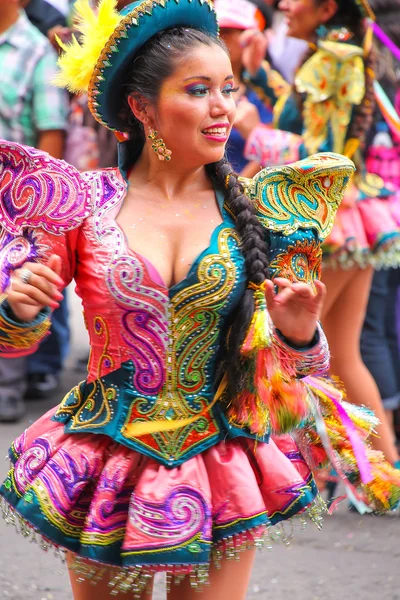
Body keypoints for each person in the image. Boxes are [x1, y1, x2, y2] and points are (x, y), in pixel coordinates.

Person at [0, 1, 399, 599]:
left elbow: (295, 380)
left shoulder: (266, 212)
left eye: (228, 89)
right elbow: (16, 342)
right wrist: (17, 309)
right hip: (105, 452)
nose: (223, 109)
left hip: (220, 456)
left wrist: (296, 332)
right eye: (199, 90)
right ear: (141, 107)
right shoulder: (79, 204)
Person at [242, 0, 400, 469]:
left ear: (328, 6)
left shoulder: (335, 58)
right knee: (345, 355)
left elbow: (320, 152)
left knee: (280, 352)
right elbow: (304, 114)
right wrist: (259, 75)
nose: (283, 5)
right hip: (353, 216)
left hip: (326, 220)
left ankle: (270, 473)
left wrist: (252, 129)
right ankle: (382, 473)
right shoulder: (337, 52)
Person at [0, 0, 69, 420]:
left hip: (12, 200)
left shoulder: (37, 52)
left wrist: (39, 209)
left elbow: (51, 131)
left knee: (14, 283)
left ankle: (8, 385)